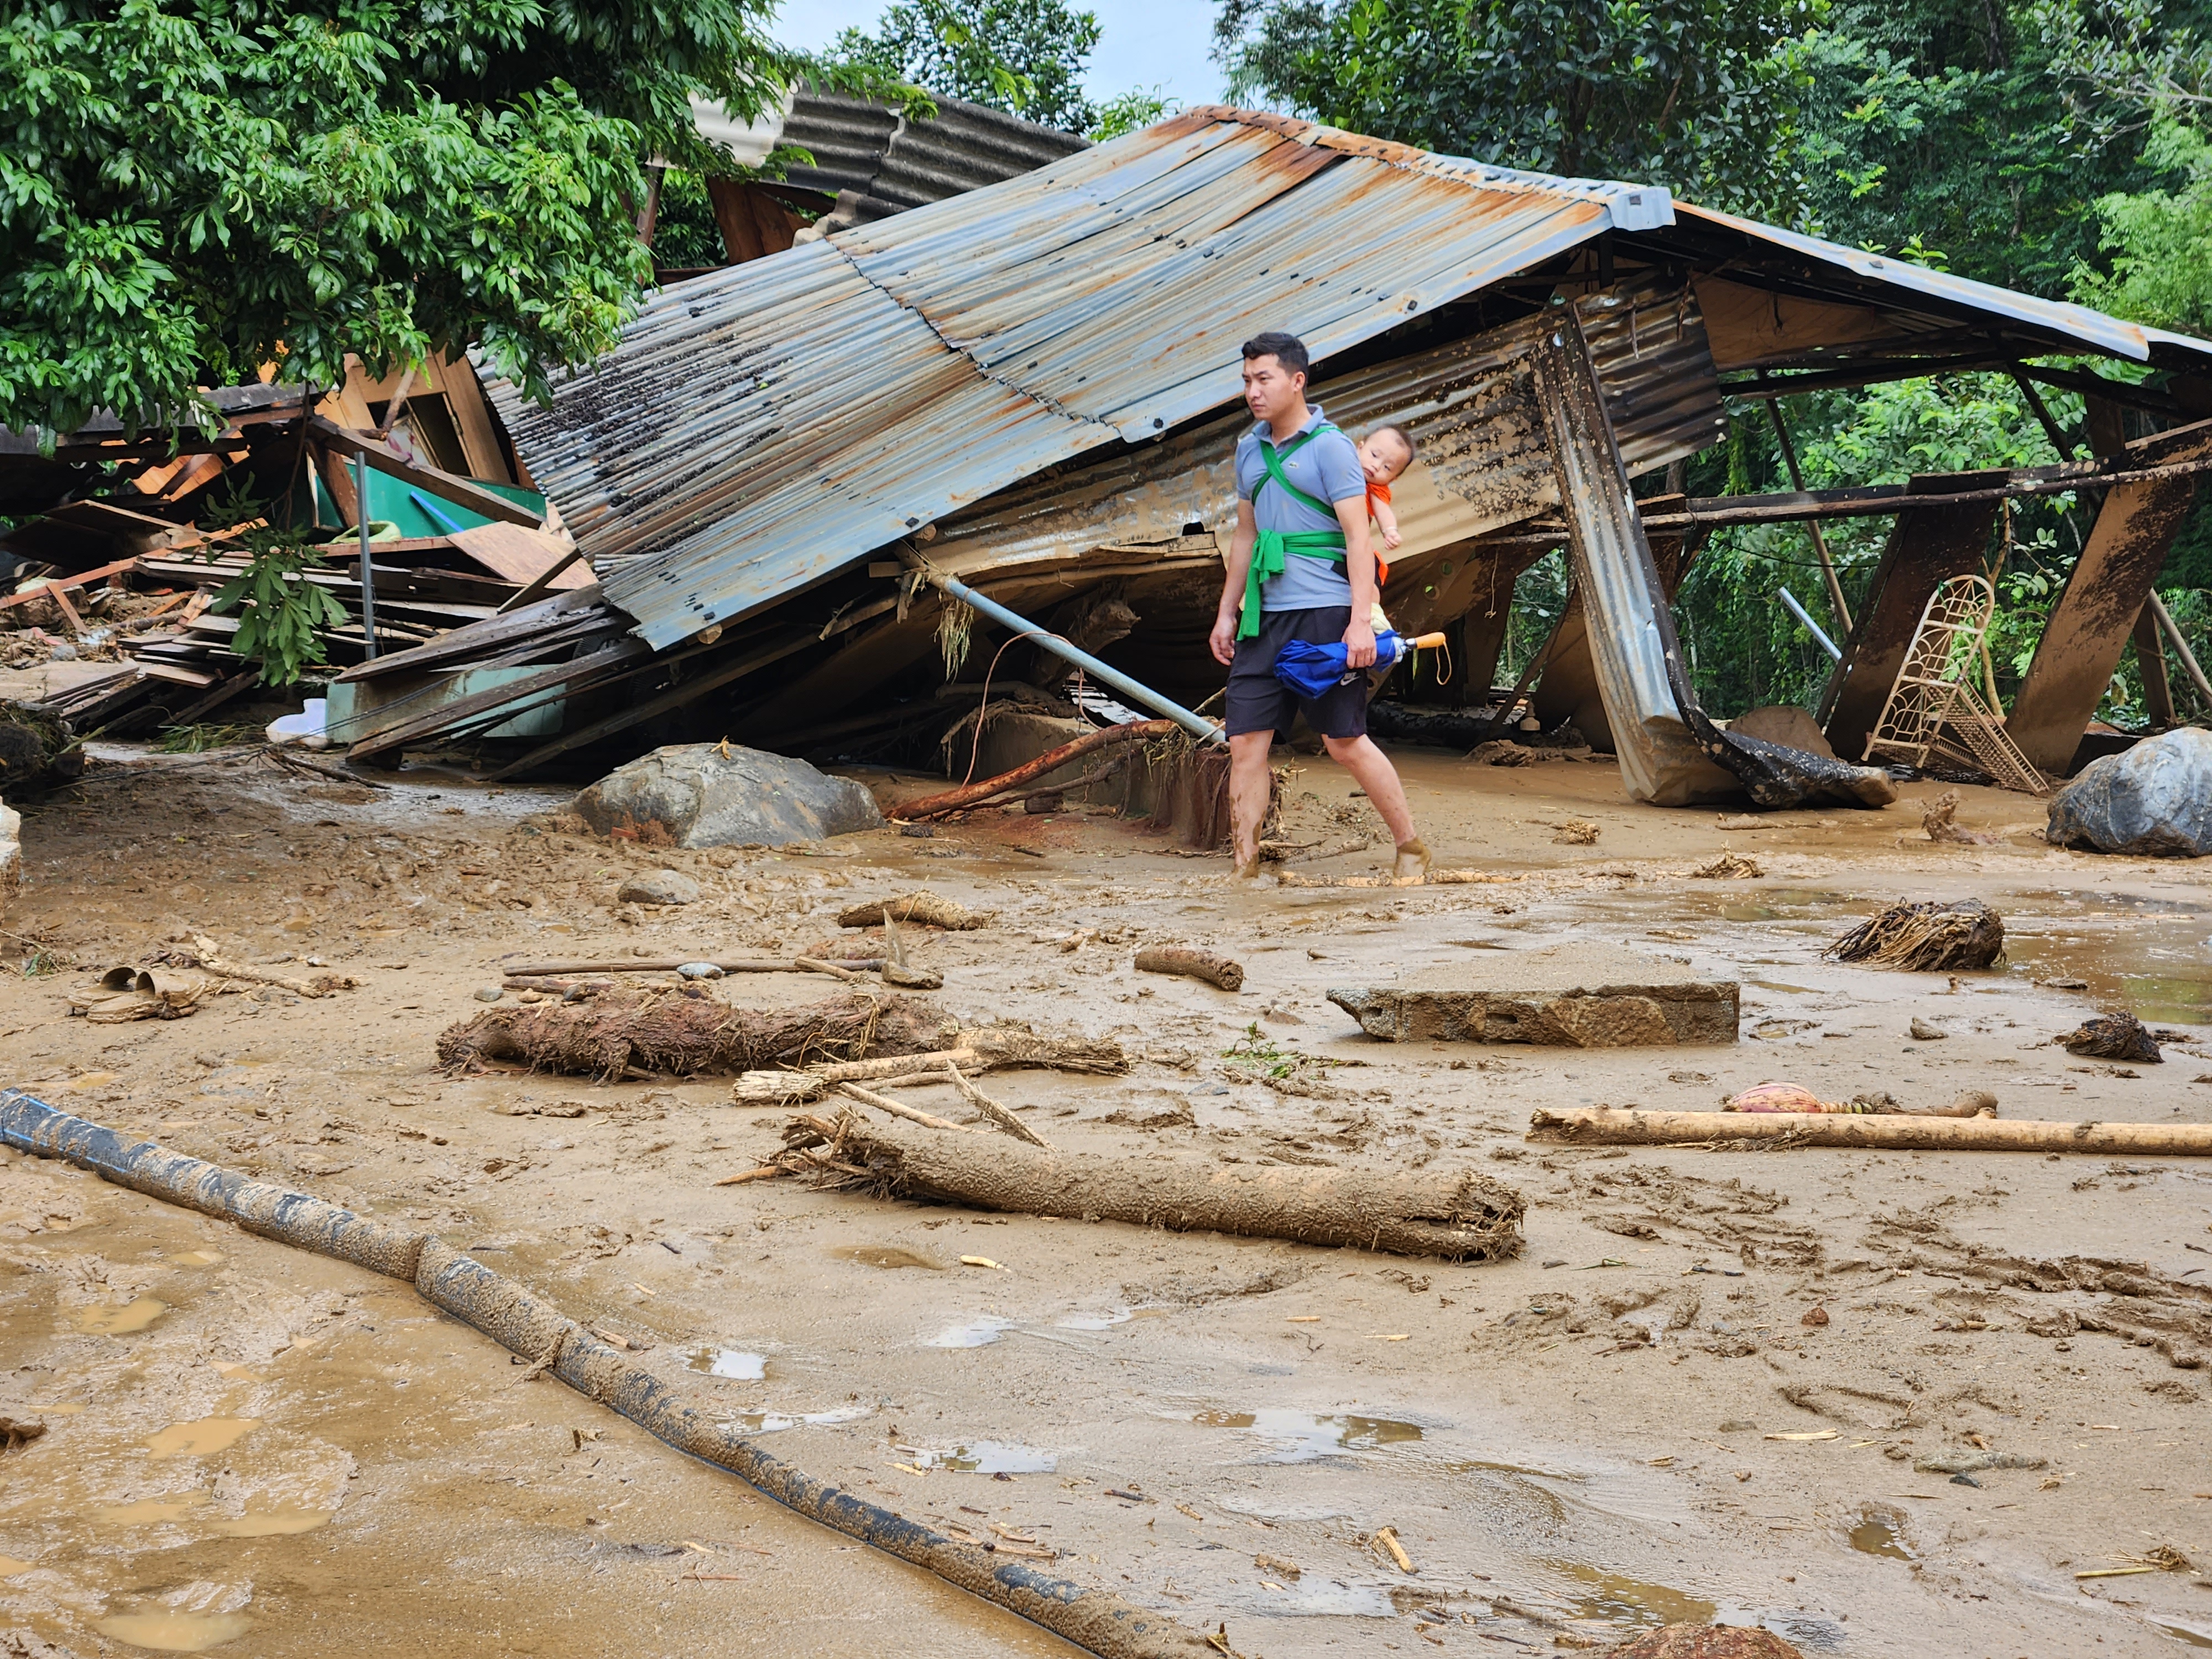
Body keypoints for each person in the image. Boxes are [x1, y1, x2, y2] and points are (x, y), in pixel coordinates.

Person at [1208, 331, 1430, 884]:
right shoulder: (1248, 449)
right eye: (1246, 381)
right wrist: (1226, 611)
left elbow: (1358, 538)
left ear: (1296, 380)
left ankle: (1409, 847)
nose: (1253, 392)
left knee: (1344, 741)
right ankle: (1244, 866)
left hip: (1326, 610)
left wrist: (1359, 621)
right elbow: (1244, 535)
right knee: (1245, 742)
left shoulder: (1331, 447)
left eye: (1264, 379)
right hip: (1264, 615)